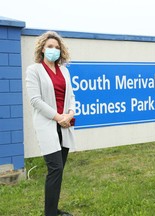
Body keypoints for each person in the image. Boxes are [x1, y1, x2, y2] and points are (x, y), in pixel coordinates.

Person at [26, 31, 75, 216]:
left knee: (59, 170)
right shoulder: (34, 70)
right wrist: (58, 117)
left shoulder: (64, 70)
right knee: (55, 169)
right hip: (48, 124)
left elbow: (70, 96)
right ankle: (50, 213)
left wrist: (70, 113)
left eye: (57, 47)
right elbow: (35, 100)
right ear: (42, 49)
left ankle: (53, 209)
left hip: (65, 125)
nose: (53, 50)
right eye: (50, 47)